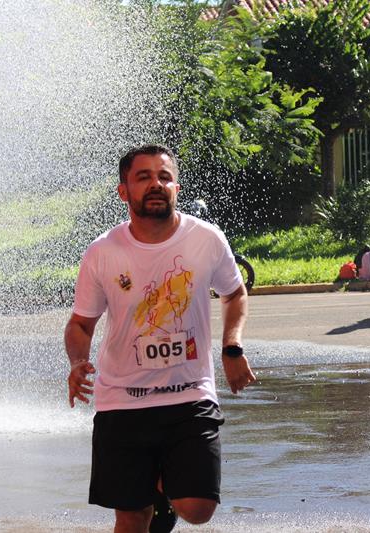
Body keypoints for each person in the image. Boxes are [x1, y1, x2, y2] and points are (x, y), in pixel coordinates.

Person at [64, 144, 256, 533]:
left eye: (164, 176)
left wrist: (231, 347)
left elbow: (234, 293)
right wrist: (77, 362)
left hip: (189, 394)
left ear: (176, 188)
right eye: (143, 177)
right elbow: (80, 324)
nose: (155, 184)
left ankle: (162, 490)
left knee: (199, 508)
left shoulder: (205, 239)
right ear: (124, 191)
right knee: (133, 517)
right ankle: (153, 494)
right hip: (121, 399)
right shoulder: (102, 253)